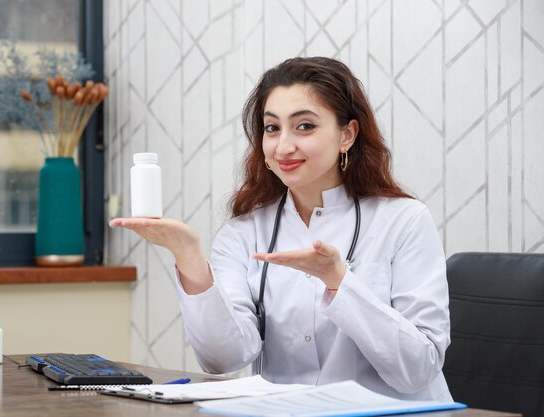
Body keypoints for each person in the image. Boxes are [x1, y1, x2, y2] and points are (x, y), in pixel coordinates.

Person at [110, 57, 452, 401]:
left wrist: (338, 280)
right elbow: (222, 359)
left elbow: (419, 369)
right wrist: (188, 255)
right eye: (272, 128)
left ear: (346, 134)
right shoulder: (243, 233)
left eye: (305, 126)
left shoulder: (404, 220)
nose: (283, 146)